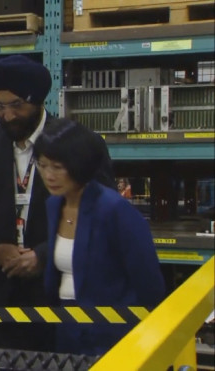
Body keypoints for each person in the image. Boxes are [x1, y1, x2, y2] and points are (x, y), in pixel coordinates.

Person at [0, 55, 115, 351]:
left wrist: (42, 256)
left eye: (17, 105)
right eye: (0, 106)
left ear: (39, 101)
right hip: (3, 295)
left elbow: (97, 217)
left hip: (59, 295)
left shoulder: (78, 145)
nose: (7, 116)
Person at [34, 118, 164, 356]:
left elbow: (150, 285)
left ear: (79, 165)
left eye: (57, 167)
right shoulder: (54, 205)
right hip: (67, 326)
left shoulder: (114, 210)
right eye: (42, 166)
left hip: (111, 333)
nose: (48, 175)